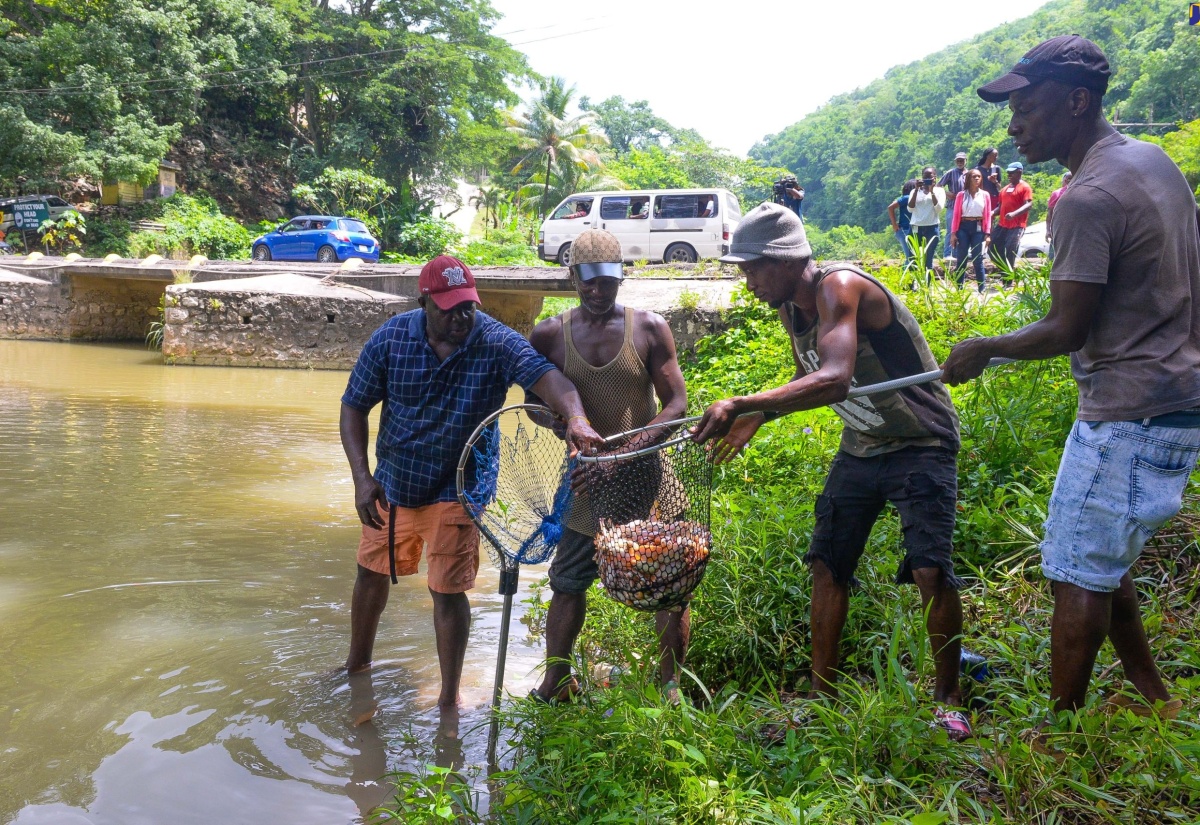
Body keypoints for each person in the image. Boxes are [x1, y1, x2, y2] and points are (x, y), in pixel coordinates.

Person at [942, 35, 1200, 725]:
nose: (1014, 124)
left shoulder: (1085, 197)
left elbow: (1066, 328)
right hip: (1178, 402)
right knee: (1101, 555)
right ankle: (1158, 700)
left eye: (1027, 106)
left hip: (1128, 411)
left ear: (1077, 101)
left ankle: (1056, 737)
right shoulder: (1154, 162)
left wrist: (983, 348)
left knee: (1075, 568)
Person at [692, 203, 972, 741]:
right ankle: (822, 695)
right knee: (827, 563)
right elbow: (811, 375)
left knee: (929, 570)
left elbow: (836, 378)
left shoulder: (838, 287)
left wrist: (743, 399)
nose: (748, 281)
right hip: (863, 445)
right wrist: (762, 413)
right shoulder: (792, 310)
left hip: (920, 440)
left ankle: (949, 698)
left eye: (754, 268)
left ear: (787, 260)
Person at [339, 254, 603, 708]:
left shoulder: (496, 342)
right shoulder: (390, 339)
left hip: (461, 486)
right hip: (394, 483)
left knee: (447, 590)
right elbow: (353, 406)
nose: (462, 317)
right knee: (370, 573)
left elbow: (549, 379)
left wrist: (576, 419)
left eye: (468, 306)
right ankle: (355, 667)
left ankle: (448, 701)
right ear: (424, 303)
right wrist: (362, 479)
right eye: (449, 308)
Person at [527, 229, 690, 703]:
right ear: (573, 277)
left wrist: (621, 453)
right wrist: (570, 430)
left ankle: (670, 686)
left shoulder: (649, 328)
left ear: (621, 278)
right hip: (585, 479)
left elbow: (677, 404)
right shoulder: (550, 334)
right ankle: (554, 683)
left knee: (671, 580)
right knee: (568, 582)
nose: (598, 293)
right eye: (588, 283)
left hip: (648, 474)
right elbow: (533, 405)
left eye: (607, 282)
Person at [949, 168, 993, 292]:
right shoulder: (961, 195)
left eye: (979, 176)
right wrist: (953, 233)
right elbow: (956, 214)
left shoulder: (985, 195)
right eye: (974, 176)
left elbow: (987, 215)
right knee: (961, 258)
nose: (977, 179)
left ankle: (981, 288)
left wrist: (987, 233)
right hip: (963, 226)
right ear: (968, 178)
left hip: (978, 227)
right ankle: (959, 288)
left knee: (977, 258)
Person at [990, 162, 1033, 276]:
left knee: (1010, 249)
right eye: (1008, 173)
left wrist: (1014, 214)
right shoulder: (1004, 189)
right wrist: (992, 213)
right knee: (992, 247)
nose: (1009, 175)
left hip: (1017, 225)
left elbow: (1028, 204)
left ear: (1019, 172)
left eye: (1012, 173)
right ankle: (1005, 270)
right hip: (1003, 224)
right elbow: (1000, 207)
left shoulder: (1025, 187)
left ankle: (1008, 278)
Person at [907, 167, 945, 275]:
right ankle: (913, 285)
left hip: (932, 228)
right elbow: (910, 208)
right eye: (925, 177)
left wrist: (932, 191)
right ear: (921, 177)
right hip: (916, 227)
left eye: (930, 176)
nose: (928, 179)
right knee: (913, 258)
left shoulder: (940, 191)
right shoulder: (914, 191)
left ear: (935, 177)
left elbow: (938, 209)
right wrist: (915, 190)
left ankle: (927, 286)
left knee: (928, 259)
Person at [939, 153, 969, 257]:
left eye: (962, 160)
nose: (960, 162)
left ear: (966, 161)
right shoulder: (951, 173)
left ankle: (959, 254)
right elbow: (938, 186)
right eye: (958, 161)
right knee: (951, 230)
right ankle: (947, 254)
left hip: (966, 207)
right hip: (952, 206)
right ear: (955, 161)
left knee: (963, 231)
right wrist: (947, 194)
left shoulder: (969, 174)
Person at [887, 180, 917, 266]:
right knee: (910, 258)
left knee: (913, 256)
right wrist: (894, 225)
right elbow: (890, 207)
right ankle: (906, 274)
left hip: (911, 229)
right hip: (905, 229)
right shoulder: (907, 197)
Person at [1045, 171, 1071, 258]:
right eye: (1068, 178)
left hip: (1072, 232)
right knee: (1054, 258)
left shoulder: (1081, 192)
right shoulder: (1057, 193)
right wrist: (1048, 230)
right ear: (1065, 180)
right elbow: (1050, 213)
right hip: (1057, 230)